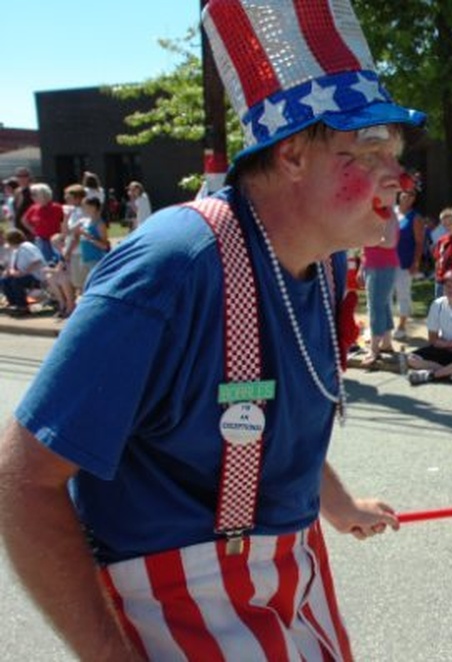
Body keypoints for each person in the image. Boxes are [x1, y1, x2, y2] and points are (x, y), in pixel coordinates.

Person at [0, 1, 426, 659]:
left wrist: (337, 503)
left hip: (297, 580)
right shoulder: (174, 265)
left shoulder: (323, 259)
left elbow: (270, 415)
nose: (397, 177)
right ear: (291, 155)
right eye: (369, 148)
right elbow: (24, 479)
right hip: (175, 602)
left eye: (396, 151)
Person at [406, 269, 452, 385]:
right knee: (411, 358)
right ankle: (451, 372)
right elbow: (433, 338)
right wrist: (443, 345)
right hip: (443, 350)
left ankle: (431, 374)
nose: (449, 287)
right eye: (446, 284)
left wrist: (447, 344)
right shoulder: (437, 305)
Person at [360, 201, 400, 369]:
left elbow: (390, 242)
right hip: (371, 265)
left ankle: (374, 350)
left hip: (384, 266)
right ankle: (387, 342)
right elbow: (365, 245)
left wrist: (368, 239)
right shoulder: (372, 214)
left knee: (376, 306)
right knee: (382, 305)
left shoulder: (390, 215)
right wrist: (362, 266)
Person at [392, 188, 424, 340]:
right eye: (405, 193)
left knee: (403, 293)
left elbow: (419, 243)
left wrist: (415, 262)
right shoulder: (390, 212)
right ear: (399, 194)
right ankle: (386, 325)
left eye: (411, 195)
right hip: (386, 261)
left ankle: (402, 325)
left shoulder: (415, 217)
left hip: (404, 262)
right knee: (385, 294)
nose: (407, 196)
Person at [0, 228, 46, 316]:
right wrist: (10, 272)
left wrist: (23, 273)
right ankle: (14, 304)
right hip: (23, 276)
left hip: (36, 276)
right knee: (5, 281)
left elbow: (37, 261)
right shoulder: (15, 250)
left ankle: (23, 307)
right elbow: (13, 266)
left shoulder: (27, 246)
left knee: (17, 282)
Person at [71, 196, 111, 288]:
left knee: (95, 285)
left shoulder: (100, 224)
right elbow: (68, 231)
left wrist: (89, 237)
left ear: (93, 207)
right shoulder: (84, 221)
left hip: (96, 259)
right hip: (85, 258)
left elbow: (104, 246)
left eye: (84, 206)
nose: (83, 209)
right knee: (85, 285)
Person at [22, 183, 64, 264]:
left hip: (56, 240)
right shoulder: (34, 208)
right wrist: (34, 231)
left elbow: (64, 221)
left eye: (35, 194)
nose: (32, 197)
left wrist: (62, 235)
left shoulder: (57, 207)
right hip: (42, 240)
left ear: (43, 194)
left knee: (60, 262)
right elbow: (24, 220)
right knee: (46, 263)